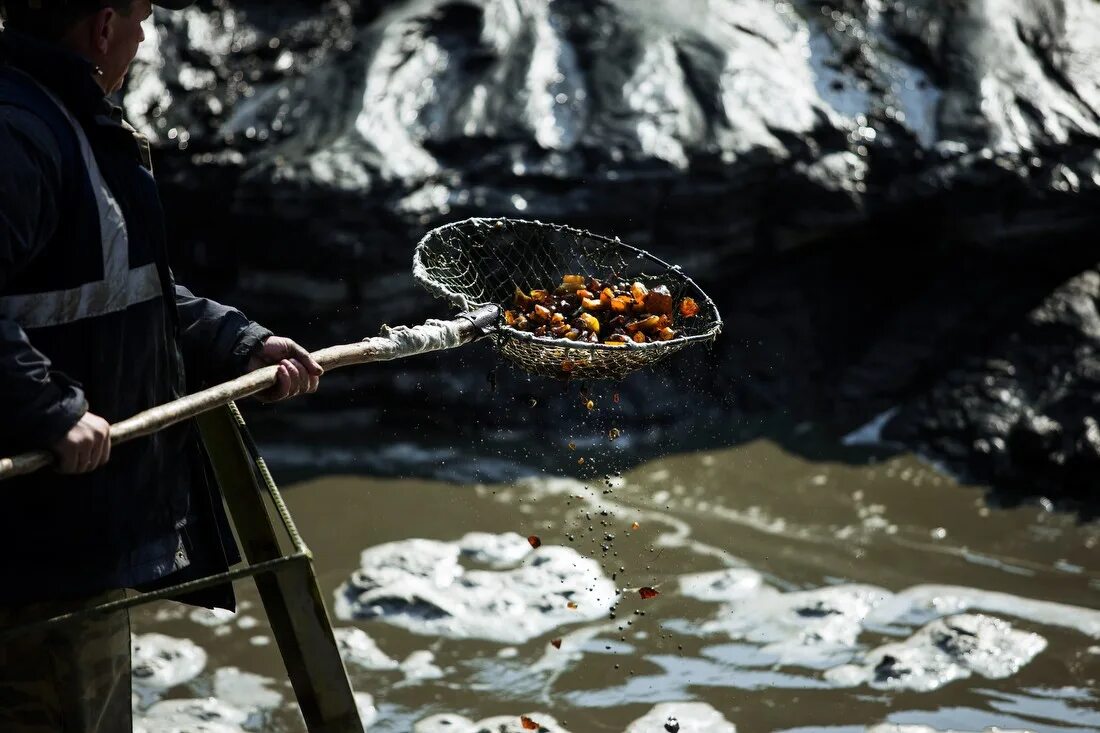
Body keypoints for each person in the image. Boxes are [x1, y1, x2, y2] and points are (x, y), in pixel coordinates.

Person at [0, 1, 322, 730]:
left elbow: (127, 290)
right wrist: (49, 411)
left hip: (75, 532)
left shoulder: (63, 119)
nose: (146, 39)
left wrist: (238, 341)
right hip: (37, 540)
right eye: (141, 19)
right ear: (102, 25)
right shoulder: (20, 132)